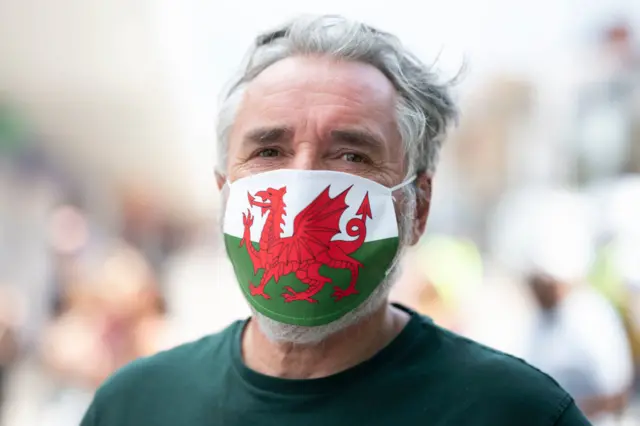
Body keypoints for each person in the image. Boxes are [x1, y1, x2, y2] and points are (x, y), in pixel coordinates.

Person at [80, 15, 590, 425]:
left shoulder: (518, 414)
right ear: (224, 195)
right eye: (269, 150)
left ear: (418, 207)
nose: (301, 182)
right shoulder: (134, 406)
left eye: (351, 156)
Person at [517, 189, 633, 425]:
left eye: (542, 282)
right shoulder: (540, 318)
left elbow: (617, 392)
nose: (535, 290)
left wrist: (560, 411)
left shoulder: (590, 317)